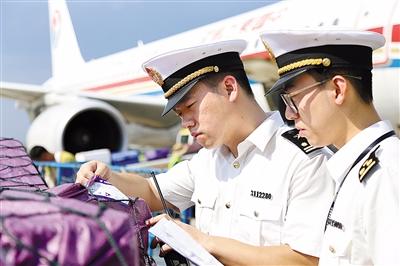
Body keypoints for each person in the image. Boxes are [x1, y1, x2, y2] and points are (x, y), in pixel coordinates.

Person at [76, 40, 334, 265]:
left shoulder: (304, 159)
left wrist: (204, 242)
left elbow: (307, 260)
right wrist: (108, 176)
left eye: (190, 107)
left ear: (230, 88)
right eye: (180, 114)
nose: (186, 122)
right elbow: (153, 192)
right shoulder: (208, 160)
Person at [260, 29, 399, 265]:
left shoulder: (385, 174)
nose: (289, 114)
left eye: (293, 98)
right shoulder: (356, 170)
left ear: (338, 90)